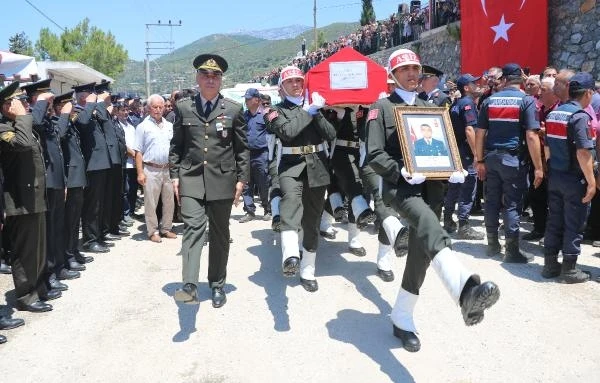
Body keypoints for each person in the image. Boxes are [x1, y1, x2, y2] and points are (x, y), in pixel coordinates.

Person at [366, 48, 499, 352]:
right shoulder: (382, 108)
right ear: (393, 75)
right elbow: (374, 154)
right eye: (405, 70)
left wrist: (453, 169)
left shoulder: (431, 107)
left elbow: (440, 148)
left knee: (419, 257)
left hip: (432, 189)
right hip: (401, 189)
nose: (412, 74)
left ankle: (401, 317)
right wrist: (398, 169)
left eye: (415, 69)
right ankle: (465, 290)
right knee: (428, 224)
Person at [170, 54, 249, 308]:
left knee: (219, 234)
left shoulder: (234, 110)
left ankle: (217, 284)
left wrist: (241, 181)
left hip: (223, 181)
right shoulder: (183, 108)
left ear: (221, 80)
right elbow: (176, 146)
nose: (210, 79)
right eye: (206, 74)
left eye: (215, 76)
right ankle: (190, 285)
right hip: (191, 178)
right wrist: (174, 175)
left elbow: (242, 149)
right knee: (193, 228)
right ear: (197, 78)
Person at [266, 65, 336, 292]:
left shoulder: (314, 107)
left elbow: (331, 134)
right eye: (290, 82)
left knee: (312, 220)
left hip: (317, 167)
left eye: (298, 81)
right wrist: (309, 111)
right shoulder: (275, 111)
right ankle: (290, 256)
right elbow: (287, 132)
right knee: (291, 204)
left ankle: (308, 269)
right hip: (291, 167)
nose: (295, 85)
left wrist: (317, 111)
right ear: (282, 87)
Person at [475, 63, 544, 262]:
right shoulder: (526, 100)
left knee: (492, 201)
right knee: (512, 204)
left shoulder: (489, 101)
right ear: (521, 79)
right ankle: (512, 251)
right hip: (513, 160)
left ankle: (492, 245)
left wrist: (479, 160)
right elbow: (531, 136)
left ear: (504, 79)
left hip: (491, 158)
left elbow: (480, 133)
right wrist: (539, 167)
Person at [0, 82, 53, 312]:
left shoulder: (18, 124)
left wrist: (22, 117)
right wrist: (22, 116)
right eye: (18, 101)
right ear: (5, 106)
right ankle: (26, 296)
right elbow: (22, 144)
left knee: (39, 247)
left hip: (35, 195)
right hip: (20, 200)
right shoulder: (4, 129)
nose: (23, 105)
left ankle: (38, 288)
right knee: (25, 251)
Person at [542, 72, 597, 283]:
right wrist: (591, 182)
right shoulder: (580, 116)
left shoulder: (555, 113)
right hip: (574, 179)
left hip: (556, 175)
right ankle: (570, 270)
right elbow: (583, 153)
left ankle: (549, 265)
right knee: (574, 223)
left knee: (554, 220)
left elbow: (547, 147)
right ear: (588, 93)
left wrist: (550, 169)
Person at [443, 74, 485, 240]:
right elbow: (469, 130)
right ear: (466, 88)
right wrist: (476, 154)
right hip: (465, 152)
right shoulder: (467, 103)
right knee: (468, 187)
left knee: (454, 186)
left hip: (456, 151)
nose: (476, 84)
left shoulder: (456, 103)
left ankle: (448, 220)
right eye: (473, 83)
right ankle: (464, 225)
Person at [134, 94, 176, 243]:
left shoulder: (169, 126)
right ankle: (152, 231)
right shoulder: (143, 127)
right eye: (155, 107)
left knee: (169, 201)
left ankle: (166, 228)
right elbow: (138, 152)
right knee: (151, 202)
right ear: (148, 108)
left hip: (168, 169)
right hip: (151, 169)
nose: (158, 110)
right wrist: (140, 172)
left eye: (161, 107)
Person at [239, 88, 271, 223]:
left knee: (264, 183)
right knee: (246, 184)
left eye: (248, 98)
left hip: (261, 154)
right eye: (245, 98)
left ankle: (268, 209)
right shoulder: (243, 116)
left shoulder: (265, 115)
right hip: (246, 154)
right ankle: (249, 211)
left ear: (257, 100)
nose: (246, 101)